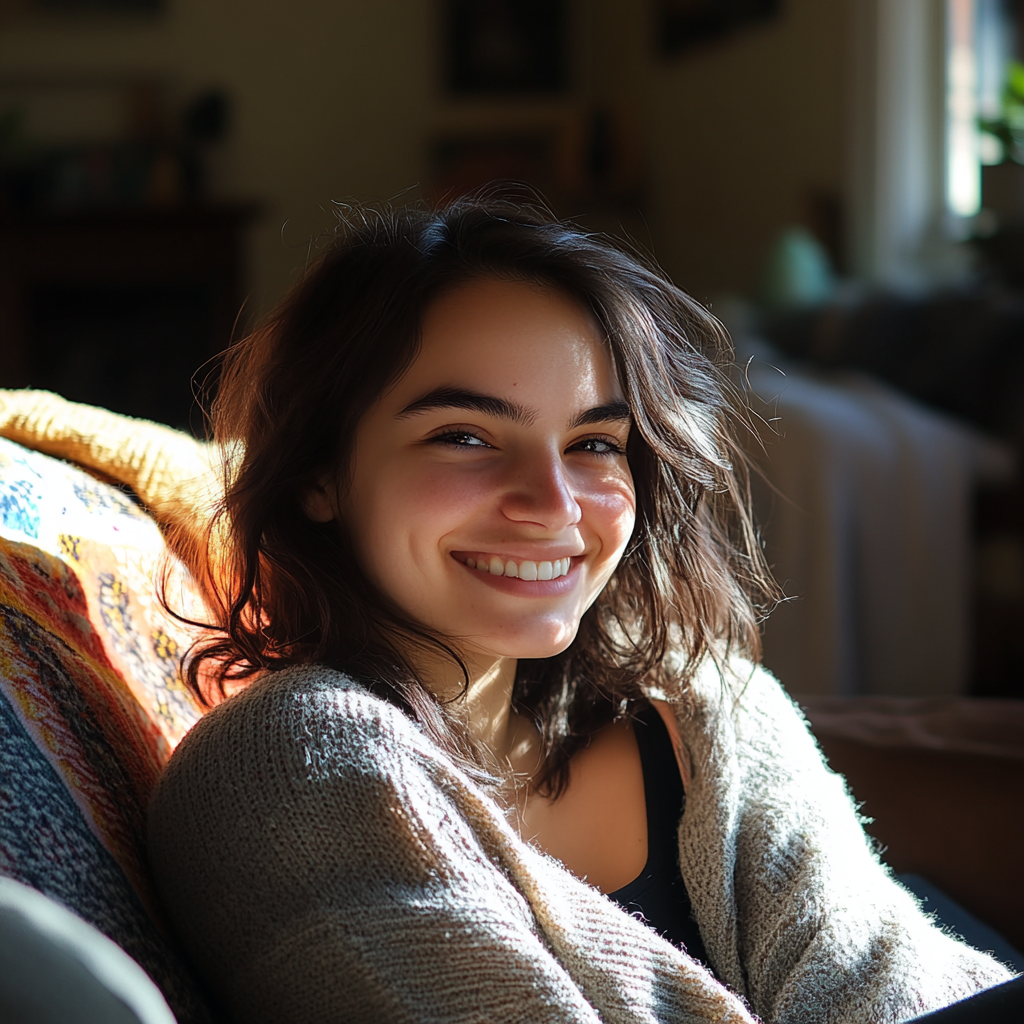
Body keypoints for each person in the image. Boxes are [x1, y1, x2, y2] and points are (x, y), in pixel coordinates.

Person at [0, 196, 1015, 1023]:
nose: (554, 504)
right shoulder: (286, 766)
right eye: (465, 437)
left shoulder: (713, 708)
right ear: (319, 473)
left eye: (595, 442)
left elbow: (897, 994)